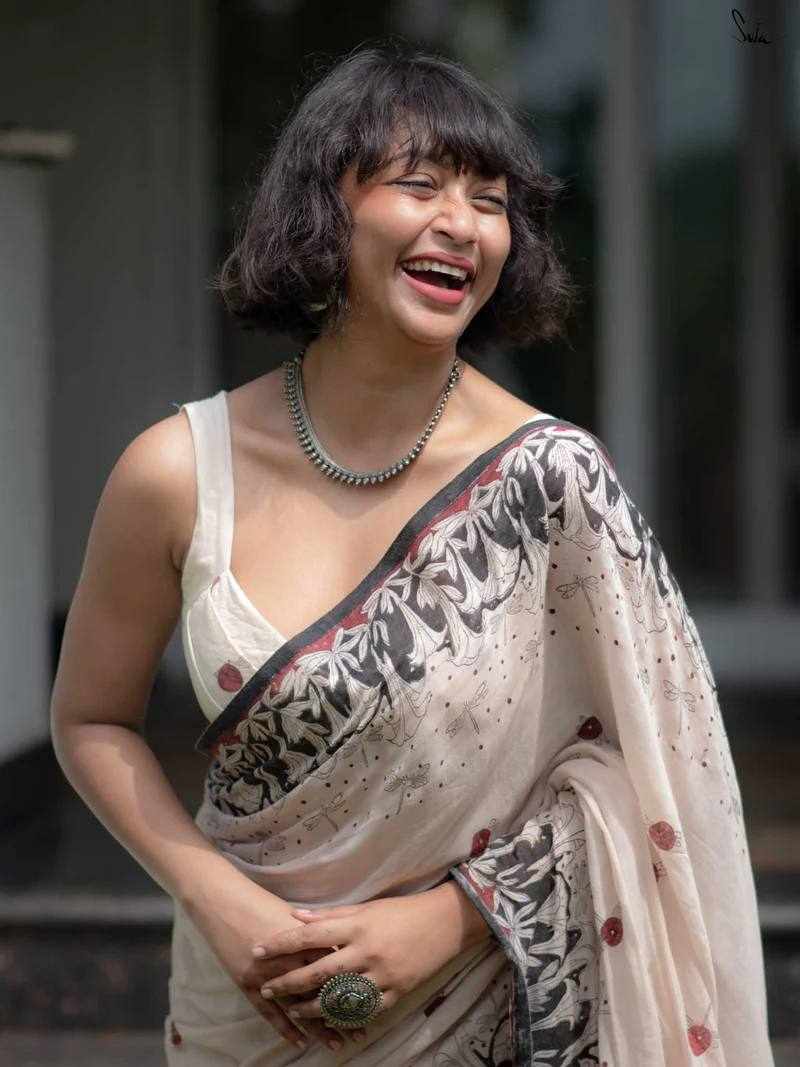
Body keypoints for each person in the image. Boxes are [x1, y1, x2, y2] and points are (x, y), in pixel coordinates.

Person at [49, 41, 774, 1067]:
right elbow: (90, 719)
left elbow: (661, 770)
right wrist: (216, 899)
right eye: (419, 184)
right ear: (321, 208)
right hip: (243, 1017)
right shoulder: (176, 471)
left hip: (486, 1010)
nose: (462, 224)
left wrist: (455, 917)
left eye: (490, 200)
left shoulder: (550, 481)